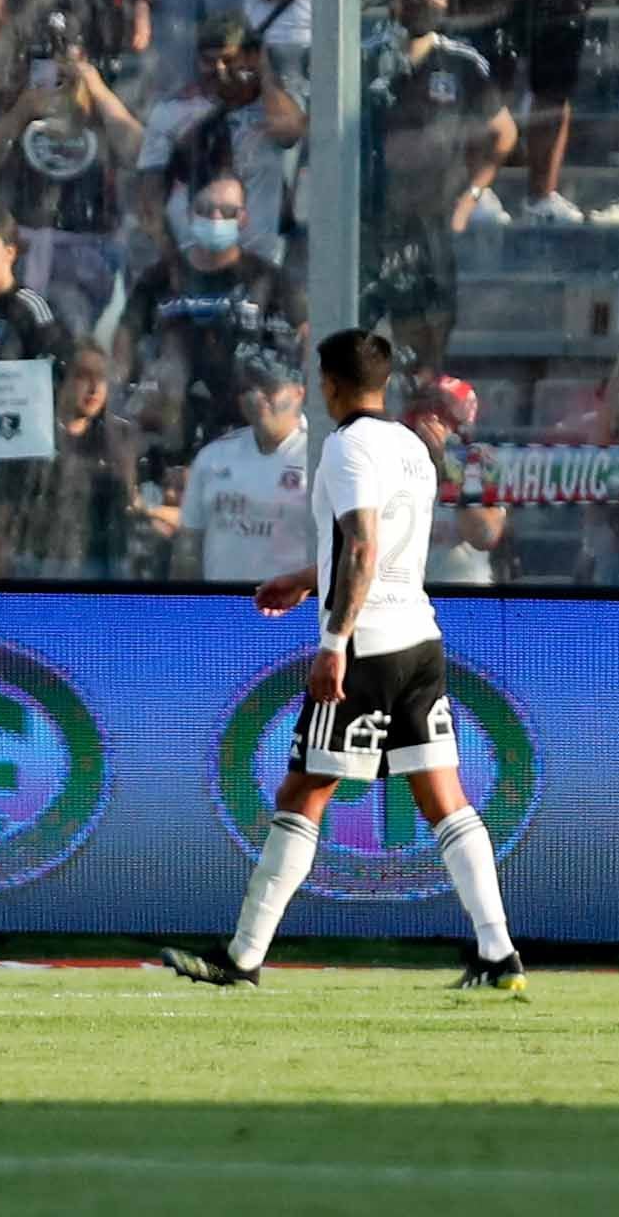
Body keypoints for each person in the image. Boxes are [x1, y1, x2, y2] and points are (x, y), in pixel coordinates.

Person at [170, 327, 524, 994]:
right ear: (383, 382)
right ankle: (499, 953)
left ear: (328, 383)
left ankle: (242, 956)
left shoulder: (345, 446)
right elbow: (380, 548)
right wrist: (309, 577)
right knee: (443, 797)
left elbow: (363, 549)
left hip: (366, 645)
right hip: (420, 638)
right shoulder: (412, 448)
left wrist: (333, 643)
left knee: (304, 791)